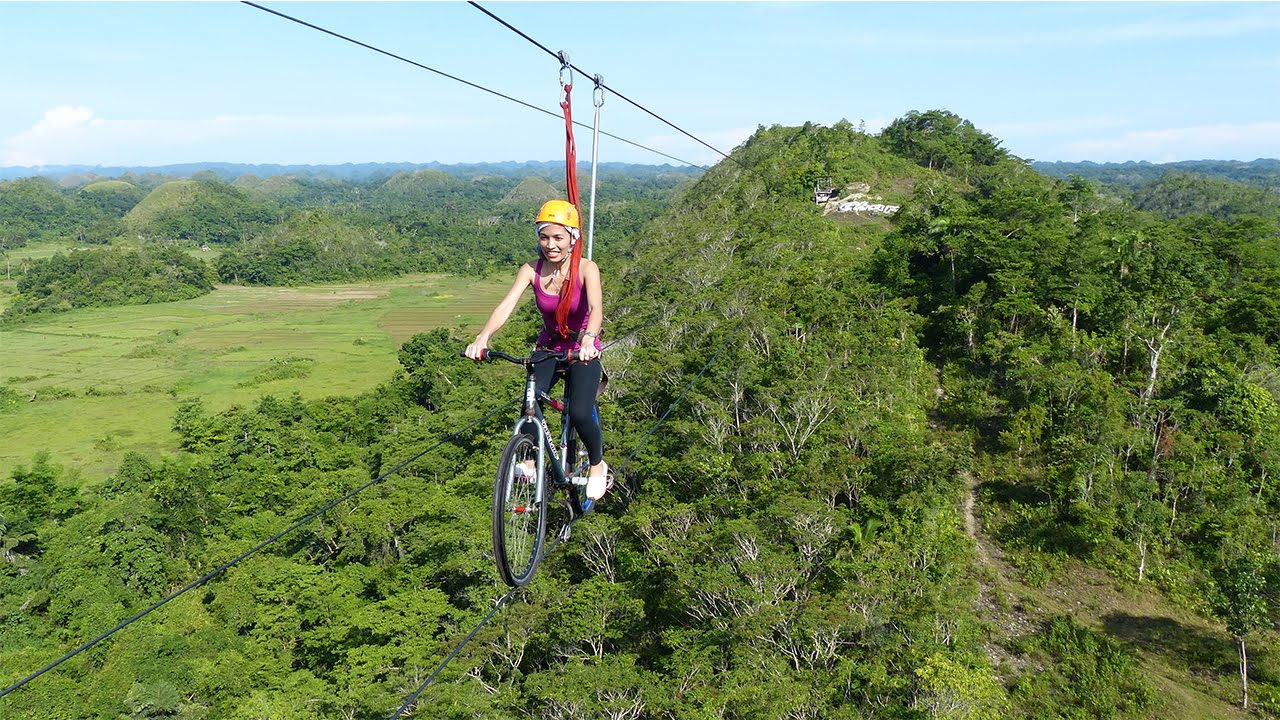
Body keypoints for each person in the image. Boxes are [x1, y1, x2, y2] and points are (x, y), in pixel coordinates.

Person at [464, 199, 610, 503]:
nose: (550, 245)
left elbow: (596, 308)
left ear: (573, 238)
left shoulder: (586, 268)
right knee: (530, 404)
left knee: (581, 412)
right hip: (549, 348)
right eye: (544, 237)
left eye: (558, 238)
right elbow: (507, 304)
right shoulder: (532, 270)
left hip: (582, 349)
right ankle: (530, 461)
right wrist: (483, 337)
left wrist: (588, 339)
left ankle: (597, 464)